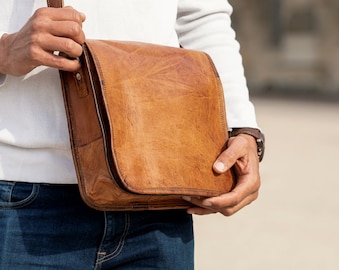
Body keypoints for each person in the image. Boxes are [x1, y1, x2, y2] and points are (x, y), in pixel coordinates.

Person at [0, 0, 264, 269]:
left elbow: (202, 16)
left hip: (158, 191)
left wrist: (241, 128)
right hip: (24, 198)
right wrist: (4, 51)